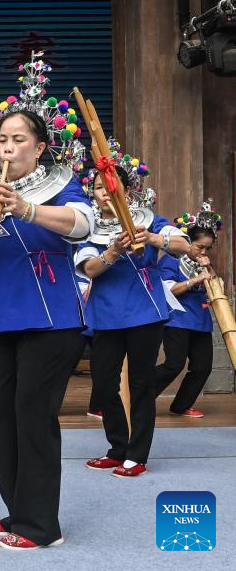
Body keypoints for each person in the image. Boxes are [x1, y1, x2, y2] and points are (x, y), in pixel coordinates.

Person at [0, 54, 92, 549]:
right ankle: (18, 510)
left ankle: (41, 526)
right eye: (3, 139)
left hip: (52, 322)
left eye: (19, 140)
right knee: (0, 413)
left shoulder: (63, 186)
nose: (8, 147)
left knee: (33, 415)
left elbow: (83, 225)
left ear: (39, 147)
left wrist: (27, 208)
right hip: (5, 320)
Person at [76, 142, 189, 478]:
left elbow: (183, 246)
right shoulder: (87, 226)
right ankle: (117, 448)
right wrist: (112, 251)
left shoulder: (149, 219)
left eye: (111, 186)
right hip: (106, 314)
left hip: (144, 313)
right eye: (98, 187)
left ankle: (137, 455)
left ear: (125, 189)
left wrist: (152, 239)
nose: (104, 192)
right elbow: (89, 268)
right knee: (103, 383)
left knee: (140, 383)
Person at [154, 202, 223, 418]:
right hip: (177, 320)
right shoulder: (171, 262)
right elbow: (169, 290)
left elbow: (217, 286)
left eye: (207, 248)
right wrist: (196, 280)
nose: (203, 252)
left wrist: (208, 269)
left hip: (200, 321)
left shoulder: (205, 265)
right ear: (188, 242)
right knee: (173, 365)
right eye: (199, 247)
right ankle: (141, 395)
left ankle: (181, 406)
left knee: (202, 367)